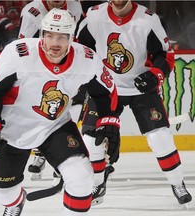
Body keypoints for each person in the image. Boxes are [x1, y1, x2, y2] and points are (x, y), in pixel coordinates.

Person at [0, 8, 120, 216]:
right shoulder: (18, 54)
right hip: (13, 131)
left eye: (62, 37)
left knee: (81, 177)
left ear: (72, 38)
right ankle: (16, 202)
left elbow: (106, 92)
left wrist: (109, 123)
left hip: (55, 126)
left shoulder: (86, 59)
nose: (55, 43)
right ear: (42, 35)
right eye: (50, 35)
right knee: (2, 195)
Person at [76, 0, 192, 205]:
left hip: (142, 88)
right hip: (105, 87)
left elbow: (165, 55)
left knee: (160, 137)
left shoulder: (148, 20)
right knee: (89, 138)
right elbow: (80, 51)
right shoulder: (93, 16)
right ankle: (98, 182)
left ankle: (177, 182)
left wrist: (155, 75)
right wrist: (86, 80)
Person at [18, 0, 83, 181]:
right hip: (42, 69)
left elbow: (76, 39)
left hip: (68, 66)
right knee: (45, 112)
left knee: (73, 109)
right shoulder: (32, 12)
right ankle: (40, 153)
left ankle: (61, 157)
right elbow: (22, 46)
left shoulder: (75, 6)